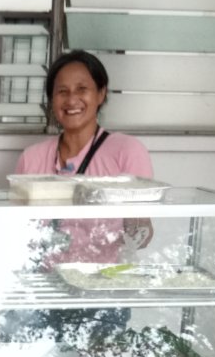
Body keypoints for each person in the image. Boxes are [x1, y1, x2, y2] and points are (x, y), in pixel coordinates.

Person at [15, 50, 154, 263]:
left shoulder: (127, 151)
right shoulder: (31, 158)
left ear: (101, 93)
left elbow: (143, 232)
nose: (72, 99)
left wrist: (135, 229)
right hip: (44, 277)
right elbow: (16, 229)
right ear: (52, 100)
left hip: (105, 277)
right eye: (62, 91)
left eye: (82, 89)